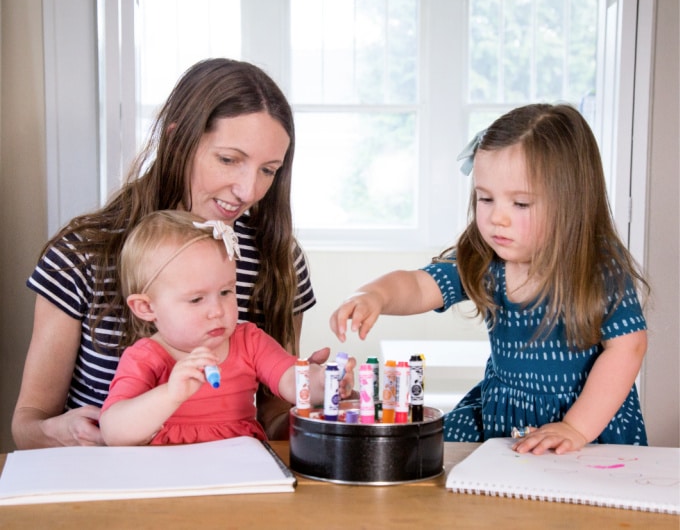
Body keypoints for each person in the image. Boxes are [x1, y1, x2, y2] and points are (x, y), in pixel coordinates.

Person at [13, 58, 319, 448]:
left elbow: (272, 414)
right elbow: (26, 427)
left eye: (268, 169)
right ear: (177, 140)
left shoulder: (277, 257)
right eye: (229, 160)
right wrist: (57, 431)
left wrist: (314, 403)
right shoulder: (82, 253)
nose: (249, 191)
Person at [330, 103, 649, 455]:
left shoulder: (597, 267)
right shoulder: (486, 260)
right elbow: (421, 285)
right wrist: (375, 295)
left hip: (585, 425)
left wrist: (576, 427)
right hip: (502, 419)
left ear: (571, 202)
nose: (498, 217)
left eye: (521, 204)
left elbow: (626, 348)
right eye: (486, 198)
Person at [99, 211, 354, 445]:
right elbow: (113, 432)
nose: (217, 310)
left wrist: (323, 381)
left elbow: (289, 379)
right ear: (146, 308)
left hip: (242, 466)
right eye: (196, 299)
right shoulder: (145, 357)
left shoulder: (249, 341)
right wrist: (171, 394)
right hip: (170, 477)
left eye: (225, 291)